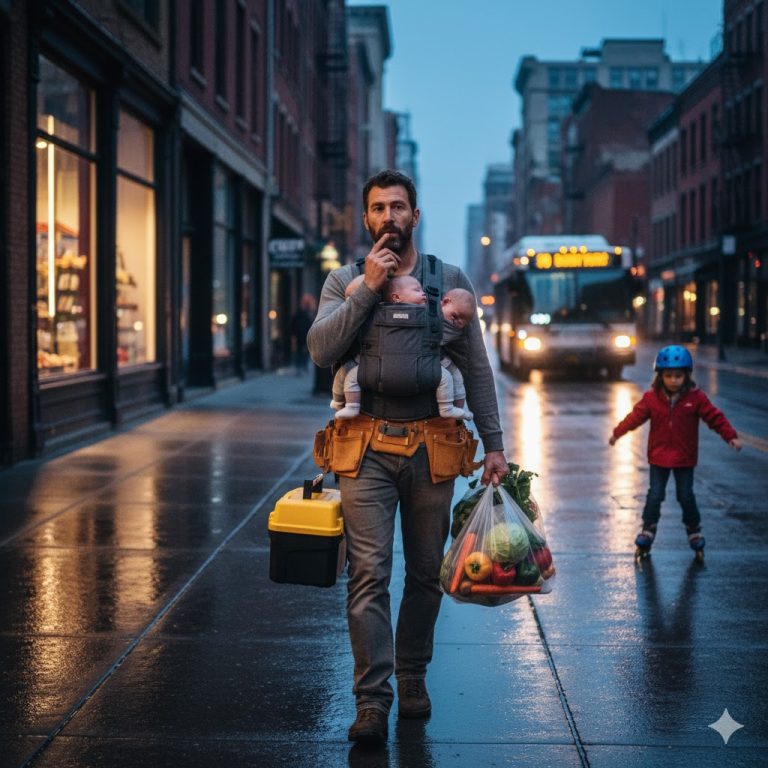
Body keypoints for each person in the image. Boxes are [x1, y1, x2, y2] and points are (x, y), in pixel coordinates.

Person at [307, 169, 507, 744]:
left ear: (415, 216)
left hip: (432, 446)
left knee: (426, 574)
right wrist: (369, 288)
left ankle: (414, 675)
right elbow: (322, 351)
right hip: (363, 445)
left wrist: (494, 446)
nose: (388, 217)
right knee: (368, 575)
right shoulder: (344, 279)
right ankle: (372, 699)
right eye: (377, 208)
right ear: (365, 218)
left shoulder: (450, 281)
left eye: (398, 207)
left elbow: (476, 369)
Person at [609, 344, 742, 557]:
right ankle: (648, 529)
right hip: (659, 457)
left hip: (684, 458)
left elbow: (714, 417)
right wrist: (617, 433)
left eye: (678, 376)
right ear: (660, 376)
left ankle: (694, 531)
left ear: (686, 376)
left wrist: (730, 436)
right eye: (668, 376)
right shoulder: (651, 398)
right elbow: (635, 418)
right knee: (655, 495)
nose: (673, 380)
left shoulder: (696, 398)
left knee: (686, 495)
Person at [330, 275, 476, 420]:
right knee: (345, 372)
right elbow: (352, 298)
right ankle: (346, 404)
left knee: (452, 377)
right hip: (377, 360)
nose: (423, 292)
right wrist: (373, 277)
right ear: (396, 297)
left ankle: (448, 408)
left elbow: (451, 324)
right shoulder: (377, 307)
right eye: (417, 289)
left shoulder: (433, 314)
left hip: (420, 362)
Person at [289, 294, 316, 375]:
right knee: (301, 352)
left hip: (302, 336)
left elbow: (293, 326)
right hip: (301, 336)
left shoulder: (304, 315)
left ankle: (301, 367)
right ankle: (301, 367)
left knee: (302, 352)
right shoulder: (303, 315)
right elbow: (293, 326)